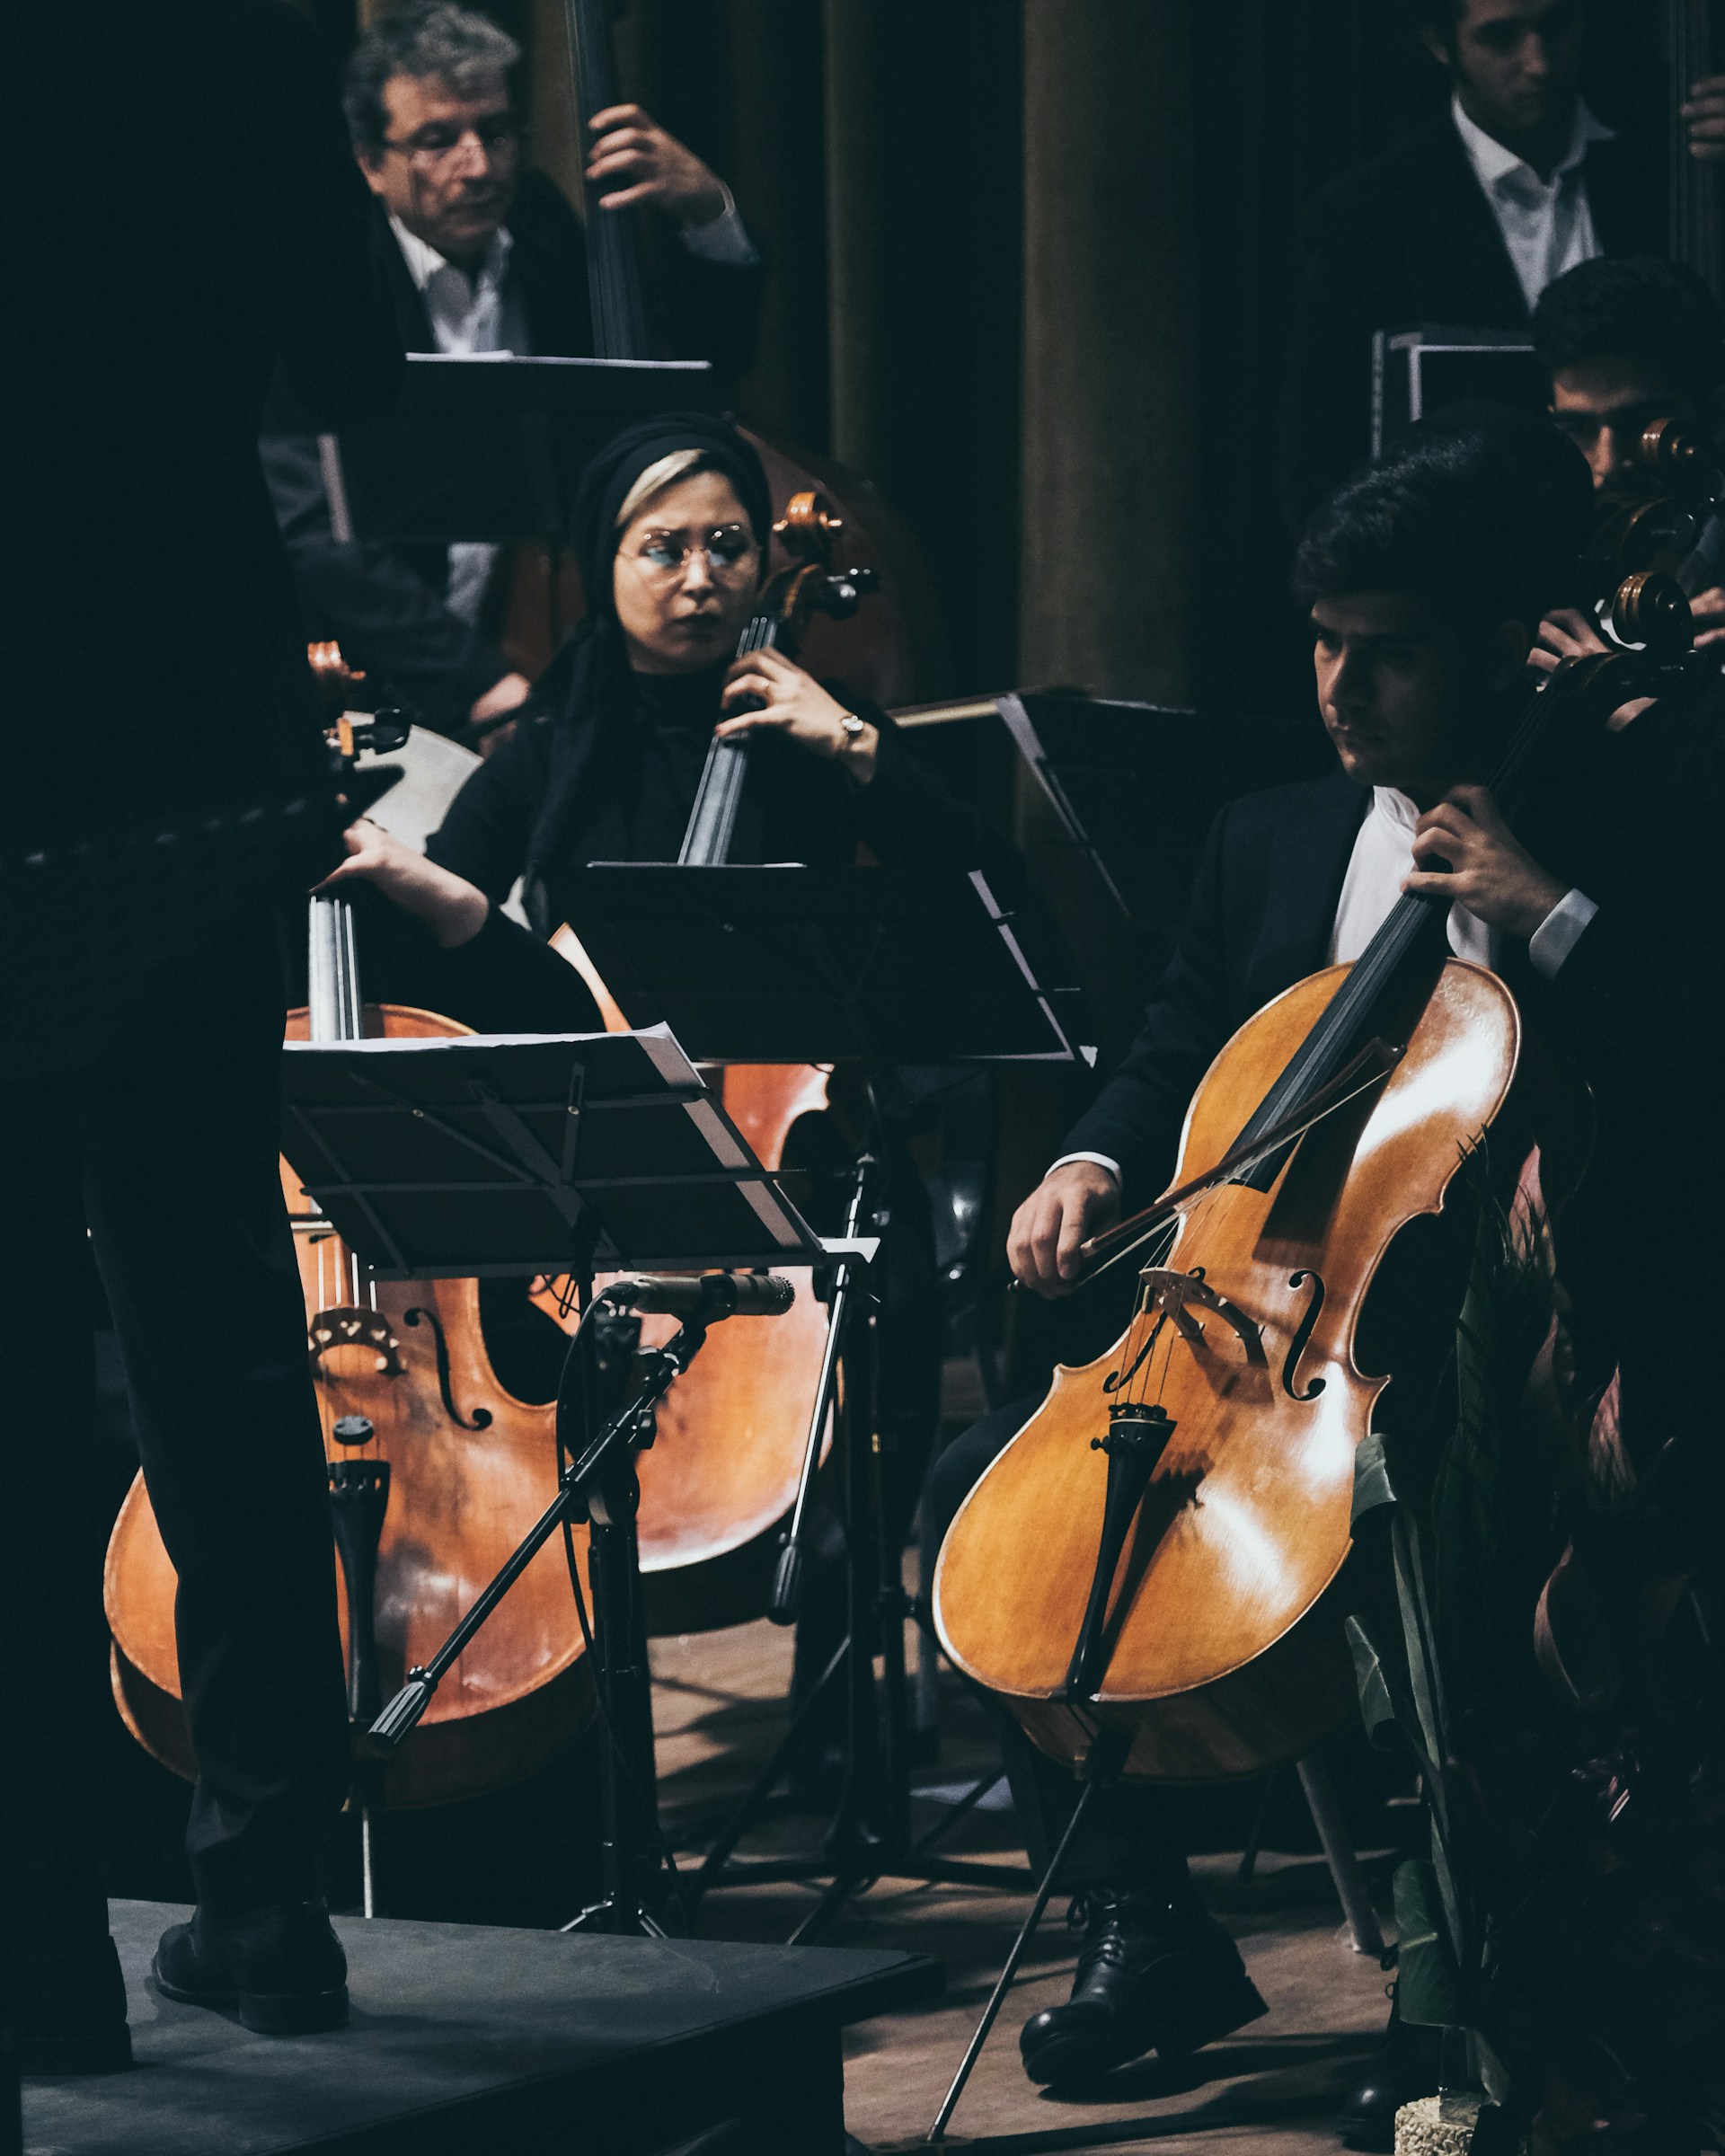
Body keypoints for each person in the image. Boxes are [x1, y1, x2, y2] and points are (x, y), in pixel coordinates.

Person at [924, 406, 1711, 2125]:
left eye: (1392, 655)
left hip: (1558, 1347)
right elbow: (1176, 1040)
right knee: (988, 1531)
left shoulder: (1638, 804)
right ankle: (1145, 1928)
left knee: (1434, 1532)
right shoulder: (1274, 834)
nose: (1342, 691)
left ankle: (1470, 2019)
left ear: (1511, 653)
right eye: (1324, 644)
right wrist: (1087, 1163)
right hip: (1269, 1327)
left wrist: (1550, 910)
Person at [4, 0, 403, 2072]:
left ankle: (40, 1949)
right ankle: (266, 1901)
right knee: (221, 1318)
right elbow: (358, 368)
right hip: (195, 722)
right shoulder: (249, 40)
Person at [263, 2, 765, 740]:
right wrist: (483, 685)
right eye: (437, 141)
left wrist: (706, 213)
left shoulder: (540, 227)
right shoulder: (325, 277)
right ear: (371, 163)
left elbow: (685, 381)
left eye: (495, 132)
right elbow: (316, 532)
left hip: (539, 654)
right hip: (372, 686)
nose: (480, 166)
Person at [1278, 0, 1668, 528]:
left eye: (1555, 28)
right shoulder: (1367, 214)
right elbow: (1325, 460)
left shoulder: (1666, 164)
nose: (1540, 64)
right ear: (1441, 44)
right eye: (1501, 38)